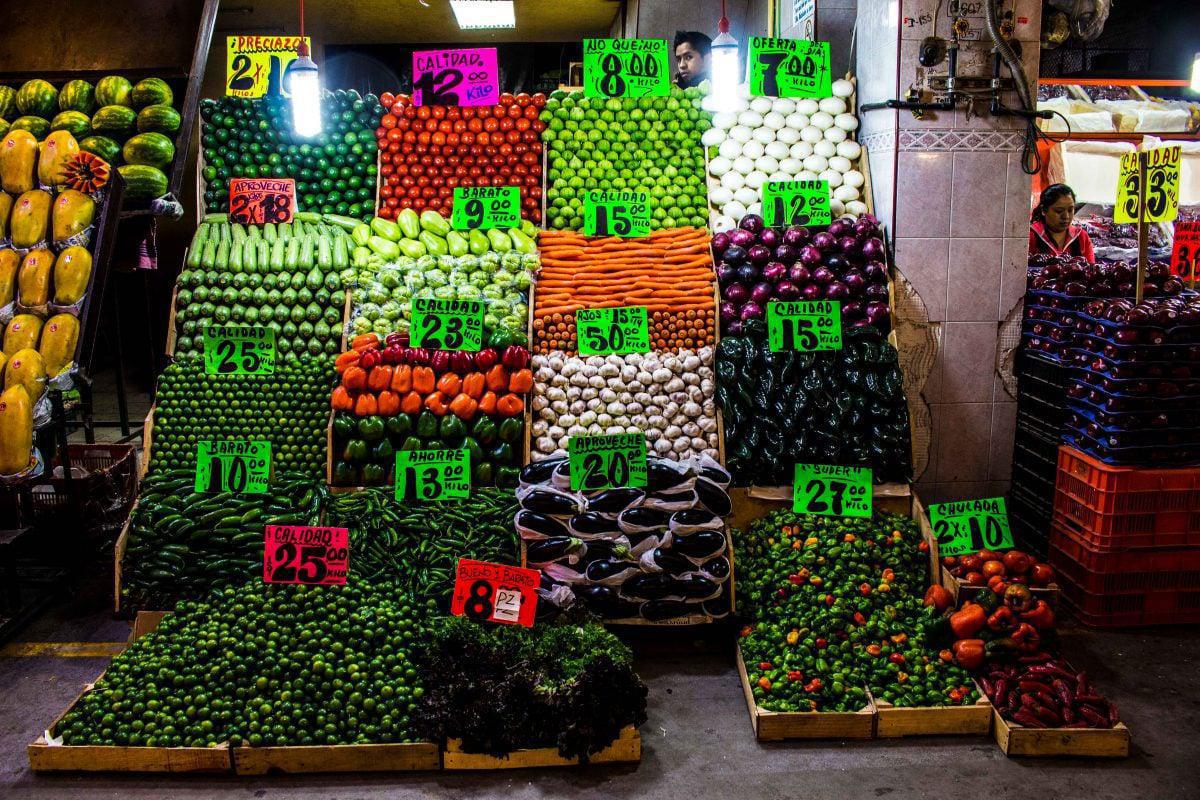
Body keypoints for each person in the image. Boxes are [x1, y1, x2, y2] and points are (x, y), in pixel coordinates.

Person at [1029, 183, 1095, 262]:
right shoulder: (1031, 236)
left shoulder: (1081, 237)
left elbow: (1091, 269)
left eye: (1070, 210)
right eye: (1059, 211)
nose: (1066, 216)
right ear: (1043, 210)